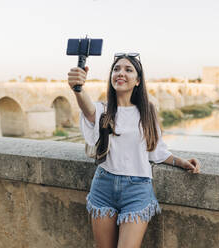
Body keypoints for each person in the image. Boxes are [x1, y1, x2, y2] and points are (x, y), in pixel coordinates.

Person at [68, 53, 201, 248]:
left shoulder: (147, 111)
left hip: (137, 190)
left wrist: (181, 162)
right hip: (103, 186)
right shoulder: (103, 110)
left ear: (138, 81)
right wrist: (78, 89)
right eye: (116, 69)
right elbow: (88, 110)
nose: (120, 73)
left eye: (128, 70)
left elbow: (155, 151)